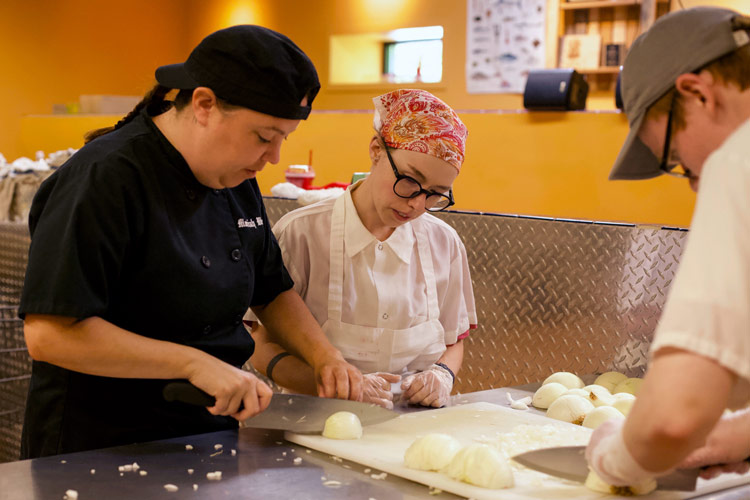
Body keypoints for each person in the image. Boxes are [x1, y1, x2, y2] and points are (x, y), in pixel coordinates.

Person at [18, 25, 363, 459]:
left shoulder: (234, 176)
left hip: (207, 432)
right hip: (97, 444)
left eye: (283, 140)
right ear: (204, 104)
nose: (272, 157)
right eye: (263, 136)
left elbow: (271, 290)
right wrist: (194, 362)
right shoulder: (105, 178)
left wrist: (325, 357)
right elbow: (50, 335)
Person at [585, 7, 750, 486]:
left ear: (697, 93)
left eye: (678, 160)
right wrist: (741, 436)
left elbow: (670, 419)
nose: (695, 185)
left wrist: (617, 458)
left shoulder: (737, 161)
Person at [247, 89, 477, 409]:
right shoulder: (301, 233)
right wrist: (335, 385)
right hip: (317, 419)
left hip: (413, 422)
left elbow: (454, 341)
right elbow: (259, 345)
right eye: (410, 180)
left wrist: (442, 375)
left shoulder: (445, 243)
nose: (416, 204)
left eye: (436, 194)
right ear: (376, 151)